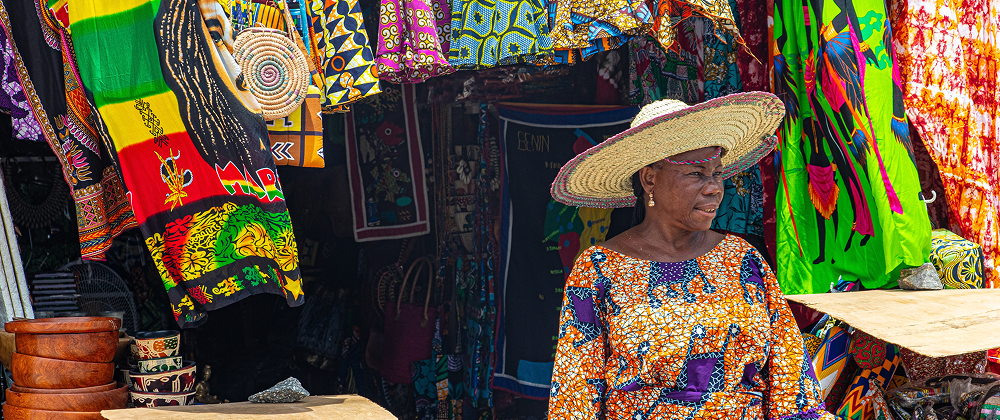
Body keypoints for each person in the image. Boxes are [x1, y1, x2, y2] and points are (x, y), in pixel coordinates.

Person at [546, 92, 834, 419]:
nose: (714, 188)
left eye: (716, 173)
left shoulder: (744, 261)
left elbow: (792, 384)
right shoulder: (600, 270)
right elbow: (574, 398)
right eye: (696, 174)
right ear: (650, 178)